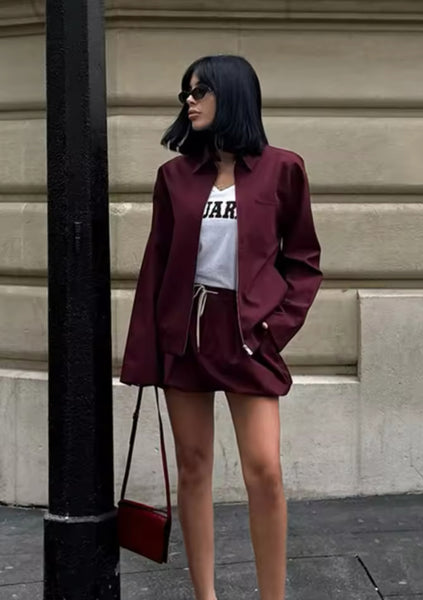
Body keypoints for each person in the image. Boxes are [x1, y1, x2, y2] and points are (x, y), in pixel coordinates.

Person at [120, 54, 322, 600]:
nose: (189, 100)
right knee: (193, 468)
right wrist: (145, 355)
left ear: (231, 96)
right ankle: (204, 596)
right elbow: (155, 267)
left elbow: (302, 262)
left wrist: (272, 330)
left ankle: (271, 597)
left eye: (201, 90)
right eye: (186, 91)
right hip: (186, 332)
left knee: (265, 473)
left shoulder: (283, 169)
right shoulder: (175, 177)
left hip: (247, 336)